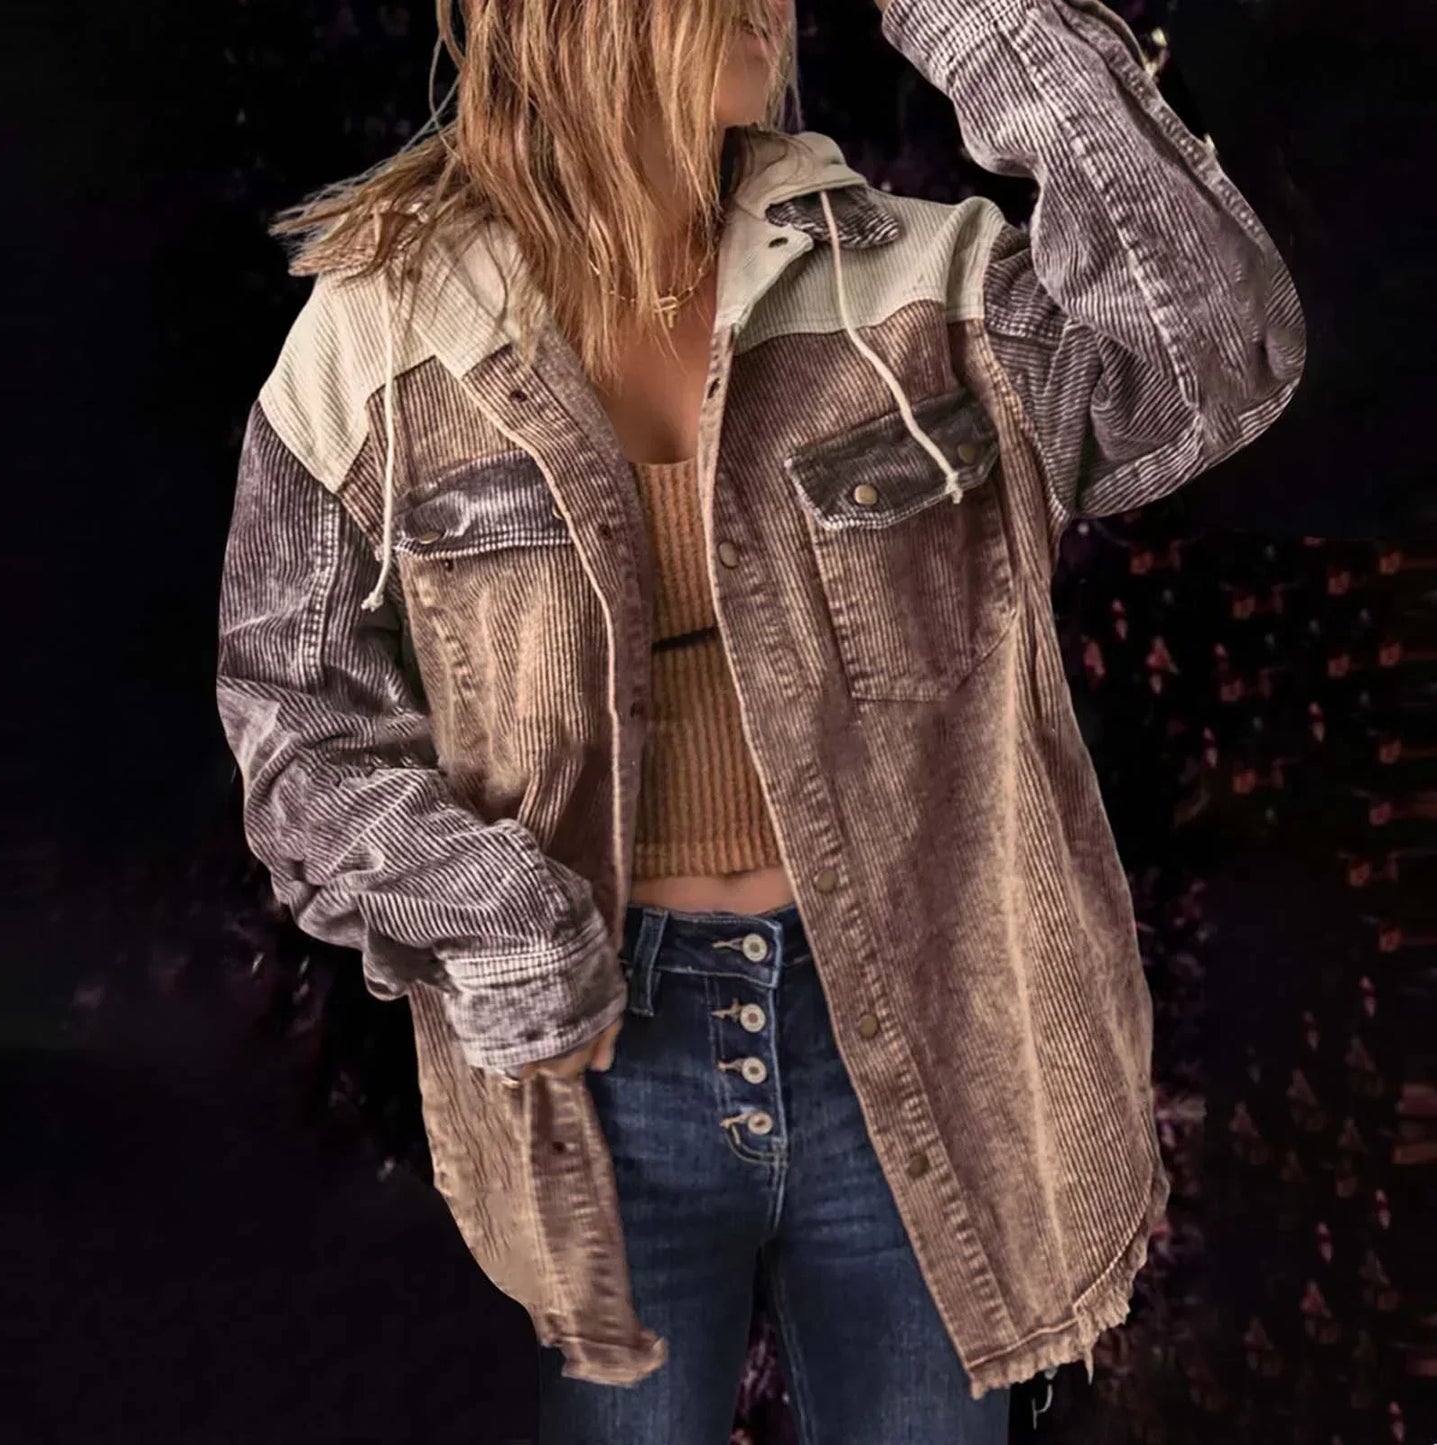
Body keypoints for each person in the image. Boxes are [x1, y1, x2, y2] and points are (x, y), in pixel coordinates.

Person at [214, 0, 1305, 1439]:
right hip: (599, 1072)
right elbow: (295, 716)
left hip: (922, 1042)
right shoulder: (379, 342)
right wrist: (500, 919)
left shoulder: (920, 284)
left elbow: (1213, 358)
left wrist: (986, 21)